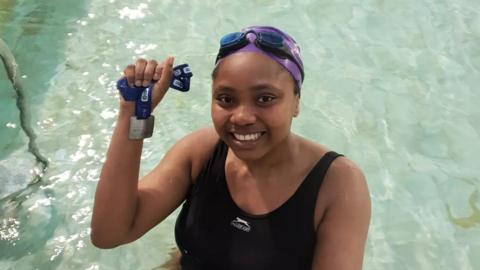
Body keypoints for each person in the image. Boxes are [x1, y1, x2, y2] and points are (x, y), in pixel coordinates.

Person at [91, 26, 371, 270]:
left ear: (296, 102)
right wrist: (133, 115)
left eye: (265, 98)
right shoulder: (200, 152)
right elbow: (109, 233)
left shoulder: (338, 184)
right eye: (226, 98)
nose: (242, 117)